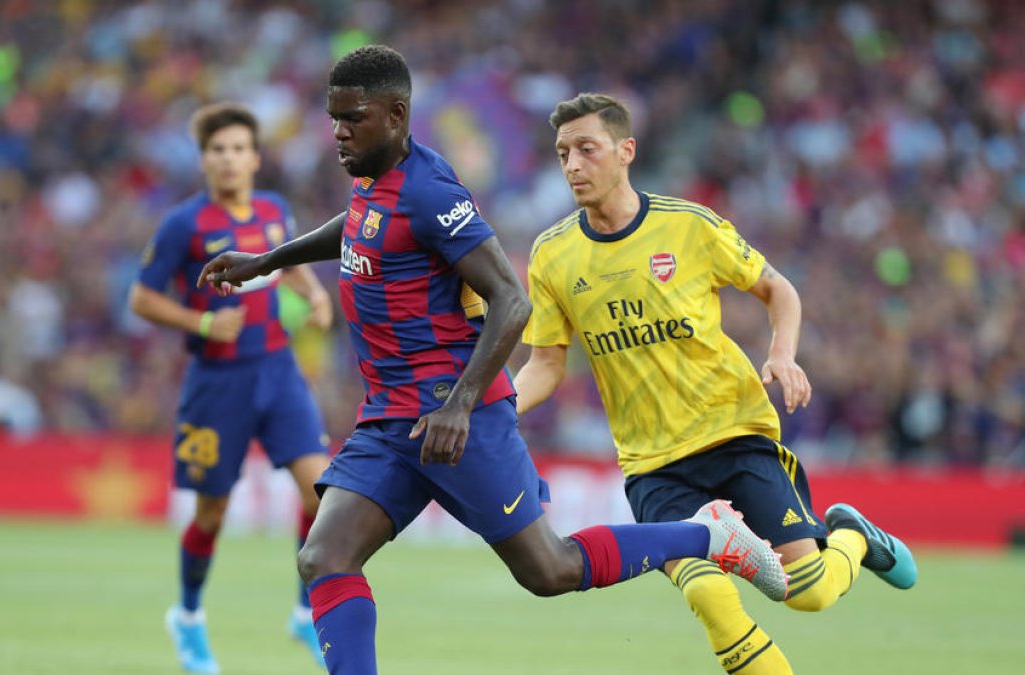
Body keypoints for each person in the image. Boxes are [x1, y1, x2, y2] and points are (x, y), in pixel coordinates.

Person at [199, 45, 787, 675]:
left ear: (397, 115)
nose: (339, 132)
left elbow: (511, 301)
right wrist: (267, 262)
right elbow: (359, 224)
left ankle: (709, 536)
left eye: (354, 118)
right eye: (334, 117)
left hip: (458, 417)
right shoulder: (375, 182)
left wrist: (458, 405)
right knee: (324, 556)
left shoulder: (431, 190)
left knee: (550, 569)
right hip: (391, 418)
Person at [514, 92, 919, 674]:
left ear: (626, 151)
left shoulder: (688, 225)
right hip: (653, 465)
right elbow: (546, 364)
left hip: (734, 434)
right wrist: (497, 405)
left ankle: (854, 537)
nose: (573, 165)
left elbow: (779, 288)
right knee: (708, 595)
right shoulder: (551, 254)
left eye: (587, 149)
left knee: (806, 592)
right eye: (562, 154)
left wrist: (783, 354)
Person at [129, 102, 334, 673]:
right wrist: (200, 323)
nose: (230, 159)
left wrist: (315, 294)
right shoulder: (183, 224)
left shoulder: (273, 209)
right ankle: (188, 617)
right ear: (204, 160)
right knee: (212, 514)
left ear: (255, 158)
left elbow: (287, 259)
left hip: (278, 370)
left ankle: (306, 612)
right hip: (217, 383)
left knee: (321, 497)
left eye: (240, 148)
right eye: (219, 150)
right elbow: (141, 296)